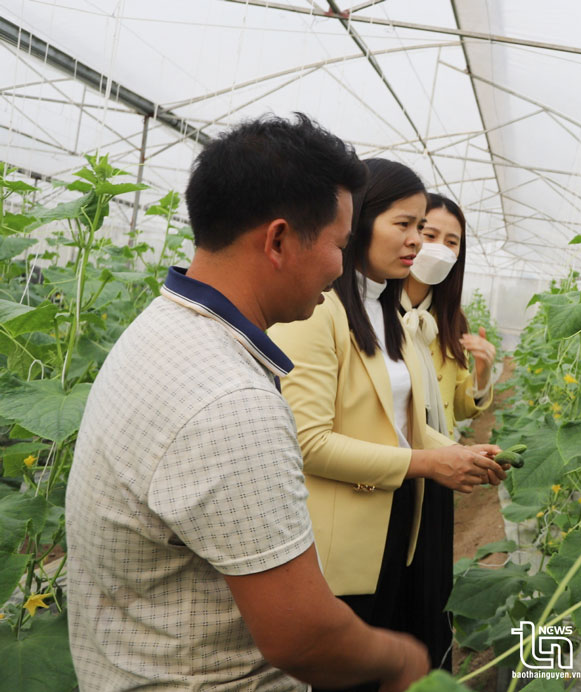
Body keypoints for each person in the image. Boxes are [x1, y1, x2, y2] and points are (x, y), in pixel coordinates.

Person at [65, 114, 429, 691]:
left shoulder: (162, 326)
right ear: (279, 240)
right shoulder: (230, 400)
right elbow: (302, 634)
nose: (340, 267)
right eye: (339, 245)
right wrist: (402, 660)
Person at [268, 159, 506, 690]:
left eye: (422, 229)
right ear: (359, 221)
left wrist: (460, 452)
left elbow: (407, 422)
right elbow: (307, 443)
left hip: (402, 515)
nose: (418, 244)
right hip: (345, 536)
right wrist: (427, 461)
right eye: (406, 225)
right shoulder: (319, 310)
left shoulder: (390, 315)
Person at [398, 193, 498, 670]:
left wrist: (481, 373)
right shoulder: (374, 313)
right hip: (390, 468)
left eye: (451, 241)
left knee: (429, 584)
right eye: (430, 235)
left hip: (437, 470)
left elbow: (459, 403)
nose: (438, 247)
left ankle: (424, 668)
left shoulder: (449, 319)